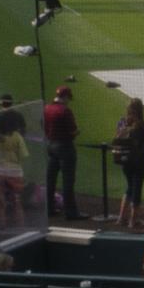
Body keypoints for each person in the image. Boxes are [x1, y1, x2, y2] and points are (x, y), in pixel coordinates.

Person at [0, 103, 28, 231]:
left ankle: (2, 223)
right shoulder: (17, 137)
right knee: (17, 200)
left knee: (0, 201)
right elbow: (23, 155)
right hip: (15, 172)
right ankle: (20, 225)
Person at [41, 86, 81, 221]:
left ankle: (49, 208)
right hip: (65, 147)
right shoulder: (65, 111)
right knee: (68, 180)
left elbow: (44, 126)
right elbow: (73, 131)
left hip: (51, 145)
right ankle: (71, 212)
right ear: (65, 97)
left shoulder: (46, 108)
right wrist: (77, 132)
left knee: (50, 178)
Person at [110, 98, 144, 230]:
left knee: (129, 187)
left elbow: (116, 138)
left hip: (125, 160)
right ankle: (133, 221)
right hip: (140, 161)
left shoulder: (122, 123)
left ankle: (121, 218)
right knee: (137, 188)